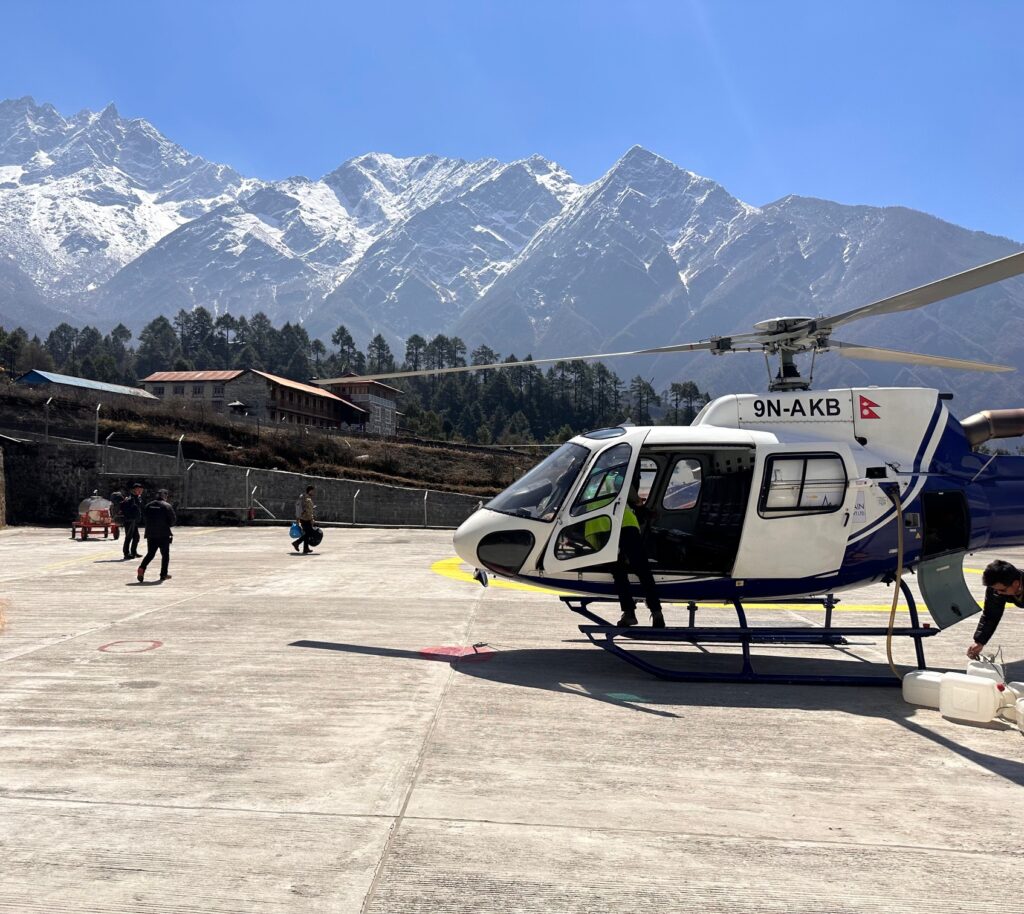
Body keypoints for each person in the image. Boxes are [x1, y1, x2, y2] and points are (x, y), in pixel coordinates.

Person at [584, 470, 665, 628]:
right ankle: (657, 612)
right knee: (642, 569)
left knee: (618, 571)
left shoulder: (586, 480)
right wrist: (639, 504)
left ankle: (629, 613)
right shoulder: (613, 476)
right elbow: (634, 497)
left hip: (600, 527)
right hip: (625, 525)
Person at [967, 559, 1024, 659]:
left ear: (1016, 584)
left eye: (1002, 590)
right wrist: (980, 642)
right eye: (995, 589)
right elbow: (991, 615)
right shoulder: (996, 589)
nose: (998, 593)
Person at [137, 489, 176, 583]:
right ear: (165, 496)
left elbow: (144, 518)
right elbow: (173, 521)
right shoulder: (167, 506)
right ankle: (163, 574)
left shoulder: (148, 505)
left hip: (151, 534)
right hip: (163, 534)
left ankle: (141, 569)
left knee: (150, 553)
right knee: (165, 555)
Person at [121, 483, 144, 560]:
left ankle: (133, 552)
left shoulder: (137, 498)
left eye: (141, 490)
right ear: (134, 490)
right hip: (130, 521)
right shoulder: (130, 498)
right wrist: (130, 517)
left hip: (134, 521)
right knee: (128, 537)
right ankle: (126, 553)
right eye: (138, 489)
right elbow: (126, 509)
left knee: (136, 537)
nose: (140, 491)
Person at [293, 485, 316, 554]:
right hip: (306, 519)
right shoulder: (307, 499)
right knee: (309, 533)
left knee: (307, 533)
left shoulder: (303, 497)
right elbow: (308, 511)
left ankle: (306, 548)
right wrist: (312, 519)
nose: (314, 492)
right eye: (313, 491)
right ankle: (296, 543)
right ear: (310, 491)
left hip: (303, 518)